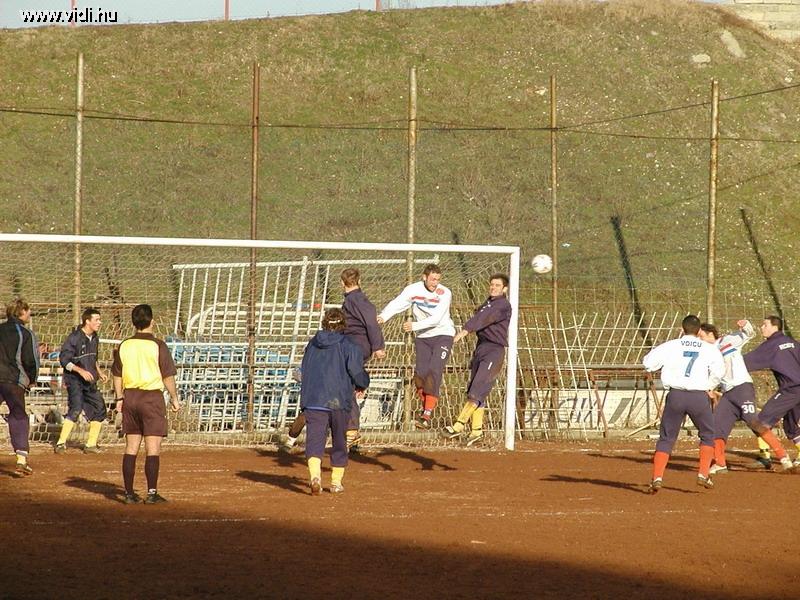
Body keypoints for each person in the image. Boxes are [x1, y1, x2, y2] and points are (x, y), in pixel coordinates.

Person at [281, 268, 385, 452]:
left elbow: (370, 322)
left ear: (341, 282)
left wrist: (377, 346)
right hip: (344, 365)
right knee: (343, 392)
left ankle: (293, 438)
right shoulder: (342, 340)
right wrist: (362, 380)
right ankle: (350, 435)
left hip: (324, 382)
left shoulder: (321, 340)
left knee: (319, 402)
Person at [642, 315, 724, 493]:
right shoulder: (708, 348)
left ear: (682, 329)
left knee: (666, 438)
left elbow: (648, 363)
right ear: (699, 331)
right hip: (698, 397)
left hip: (676, 395)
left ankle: (657, 477)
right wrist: (709, 386)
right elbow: (719, 372)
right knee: (707, 435)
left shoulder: (671, 345)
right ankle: (703, 473)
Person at [698, 321, 794, 473]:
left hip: (742, 388)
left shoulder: (726, 341)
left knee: (754, 423)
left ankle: (783, 457)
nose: (699, 340)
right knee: (716, 427)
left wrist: (746, 325)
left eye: (701, 336)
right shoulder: (704, 354)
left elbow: (749, 333)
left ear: (710, 334)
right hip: (728, 394)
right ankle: (720, 464)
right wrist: (709, 388)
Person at [111, 304, 180, 504]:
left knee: (131, 447)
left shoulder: (125, 345)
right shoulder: (158, 345)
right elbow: (167, 376)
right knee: (153, 447)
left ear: (133, 323)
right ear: (152, 321)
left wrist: (119, 398)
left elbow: (117, 374)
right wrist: (174, 397)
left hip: (130, 397)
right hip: (151, 399)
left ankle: (128, 493)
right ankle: (151, 493)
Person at [299, 308, 369, 495]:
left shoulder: (312, 344)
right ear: (344, 325)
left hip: (313, 399)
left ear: (324, 323)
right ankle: (336, 482)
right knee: (339, 441)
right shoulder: (349, 345)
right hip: (339, 400)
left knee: (315, 440)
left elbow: (303, 369)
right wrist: (363, 383)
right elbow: (356, 371)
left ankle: (315, 477)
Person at [378, 264, 454, 429]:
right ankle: (425, 405)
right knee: (420, 375)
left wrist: (414, 326)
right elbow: (398, 303)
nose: (435, 283)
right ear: (424, 277)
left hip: (443, 335)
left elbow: (437, 318)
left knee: (434, 370)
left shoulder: (445, 292)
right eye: (432, 279)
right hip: (423, 338)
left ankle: (426, 414)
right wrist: (383, 316)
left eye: (438, 280)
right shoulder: (413, 290)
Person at [443, 274, 512, 447]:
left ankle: (458, 425)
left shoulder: (502, 305)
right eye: (492, 284)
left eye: (497, 285)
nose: (493, 287)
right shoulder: (487, 303)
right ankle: (476, 430)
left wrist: (464, 331)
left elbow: (483, 319)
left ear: (505, 289)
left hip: (494, 350)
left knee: (478, 388)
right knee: (476, 390)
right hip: (481, 348)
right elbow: (481, 316)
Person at [743, 315, 800, 469]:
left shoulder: (771, 345)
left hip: (790, 390)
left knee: (759, 422)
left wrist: (726, 361)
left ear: (775, 327)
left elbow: (747, 361)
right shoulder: (793, 342)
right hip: (797, 389)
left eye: (765, 325)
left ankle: (765, 457)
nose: (762, 327)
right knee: (791, 426)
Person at [54, 307, 108, 454]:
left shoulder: (95, 337)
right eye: (97, 320)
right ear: (87, 321)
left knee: (100, 408)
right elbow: (64, 360)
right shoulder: (74, 338)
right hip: (75, 380)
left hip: (90, 381)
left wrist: (99, 372)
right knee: (76, 408)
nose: (100, 322)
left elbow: (94, 359)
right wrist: (80, 371)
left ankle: (90, 445)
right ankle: (60, 443)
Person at [0, 299, 39, 476]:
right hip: (13, 380)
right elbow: (31, 360)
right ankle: (21, 459)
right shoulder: (25, 333)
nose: (30, 314)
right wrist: (32, 379)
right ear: (21, 312)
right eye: (28, 311)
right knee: (18, 415)